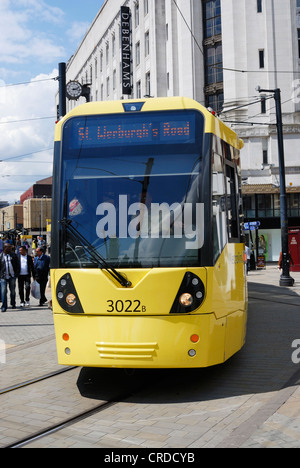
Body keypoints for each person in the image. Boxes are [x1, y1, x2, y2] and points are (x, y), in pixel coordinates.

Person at [0, 243, 20, 312]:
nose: (10, 248)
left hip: (12, 276)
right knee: (3, 291)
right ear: (5, 248)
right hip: (3, 276)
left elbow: (17, 265)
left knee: (13, 291)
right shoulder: (1, 256)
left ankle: (13, 303)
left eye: (10, 247)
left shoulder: (14, 255)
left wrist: (16, 274)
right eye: (8, 247)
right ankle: (4, 306)